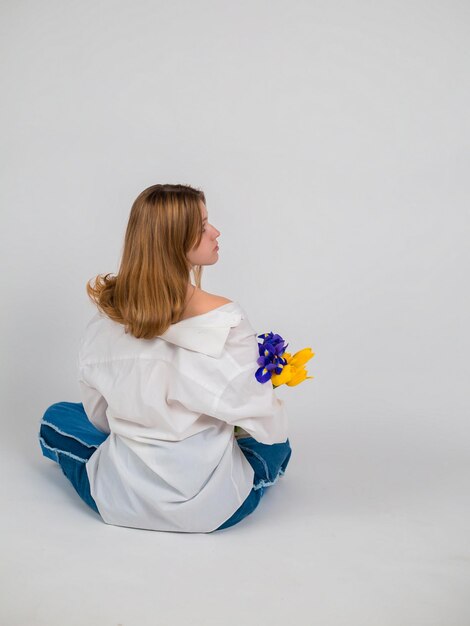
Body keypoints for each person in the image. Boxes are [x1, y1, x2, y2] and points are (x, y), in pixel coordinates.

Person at [38, 183, 292, 533]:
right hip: (211, 511)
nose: (215, 232)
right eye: (203, 227)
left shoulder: (106, 323)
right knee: (278, 444)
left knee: (59, 416)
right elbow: (268, 425)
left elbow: (100, 419)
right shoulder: (226, 322)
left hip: (117, 500)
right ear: (175, 241)